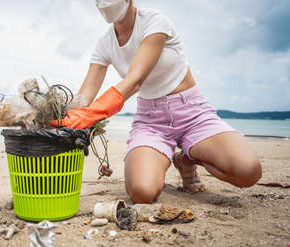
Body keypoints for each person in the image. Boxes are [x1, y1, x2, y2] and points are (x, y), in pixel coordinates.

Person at [54, 0, 262, 203]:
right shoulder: (104, 43)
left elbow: (135, 80)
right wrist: (53, 116)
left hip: (193, 113)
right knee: (142, 192)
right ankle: (168, 158)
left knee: (248, 172)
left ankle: (186, 160)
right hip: (151, 122)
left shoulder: (154, 21)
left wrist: (90, 116)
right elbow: (84, 97)